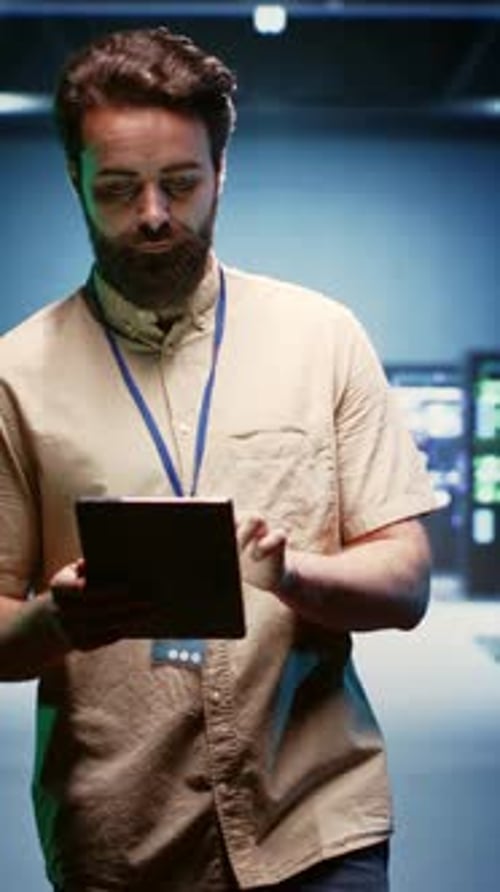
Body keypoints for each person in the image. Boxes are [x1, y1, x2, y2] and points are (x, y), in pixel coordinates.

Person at [0, 26, 438, 892]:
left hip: (318, 824)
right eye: (119, 189)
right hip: (122, 840)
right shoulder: (13, 375)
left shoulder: (323, 338)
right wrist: (57, 619)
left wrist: (297, 576)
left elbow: (408, 582)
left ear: (222, 175)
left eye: (181, 183)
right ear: (75, 182)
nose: (154, 214)